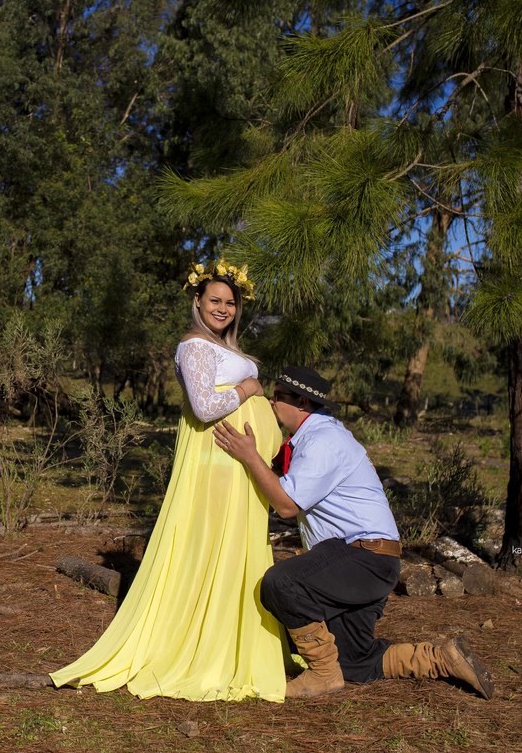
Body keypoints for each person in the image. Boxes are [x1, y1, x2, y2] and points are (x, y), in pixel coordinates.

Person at [51, 260, 290, 702]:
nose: (223, 308)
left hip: (237, 465)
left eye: (230, 303)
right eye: (214, 300)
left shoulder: (219, 346)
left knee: (236, 548)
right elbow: (203, 407)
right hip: (221, 464)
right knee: (215, 546)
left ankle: (233, 641)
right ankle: (203, 646)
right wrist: (250, 391)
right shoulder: (194, 346)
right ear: (197, 301)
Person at [212, 365, 495, 699]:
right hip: (371, 561)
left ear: (301, 402)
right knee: (354, 663)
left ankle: (321, 675)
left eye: (278, 397)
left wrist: (249, 456)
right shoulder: (315, 437)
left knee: (281, 583)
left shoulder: (322, 441)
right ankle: (439, 659)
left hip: (361, 557)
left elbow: (287, 505)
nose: (272, 403)